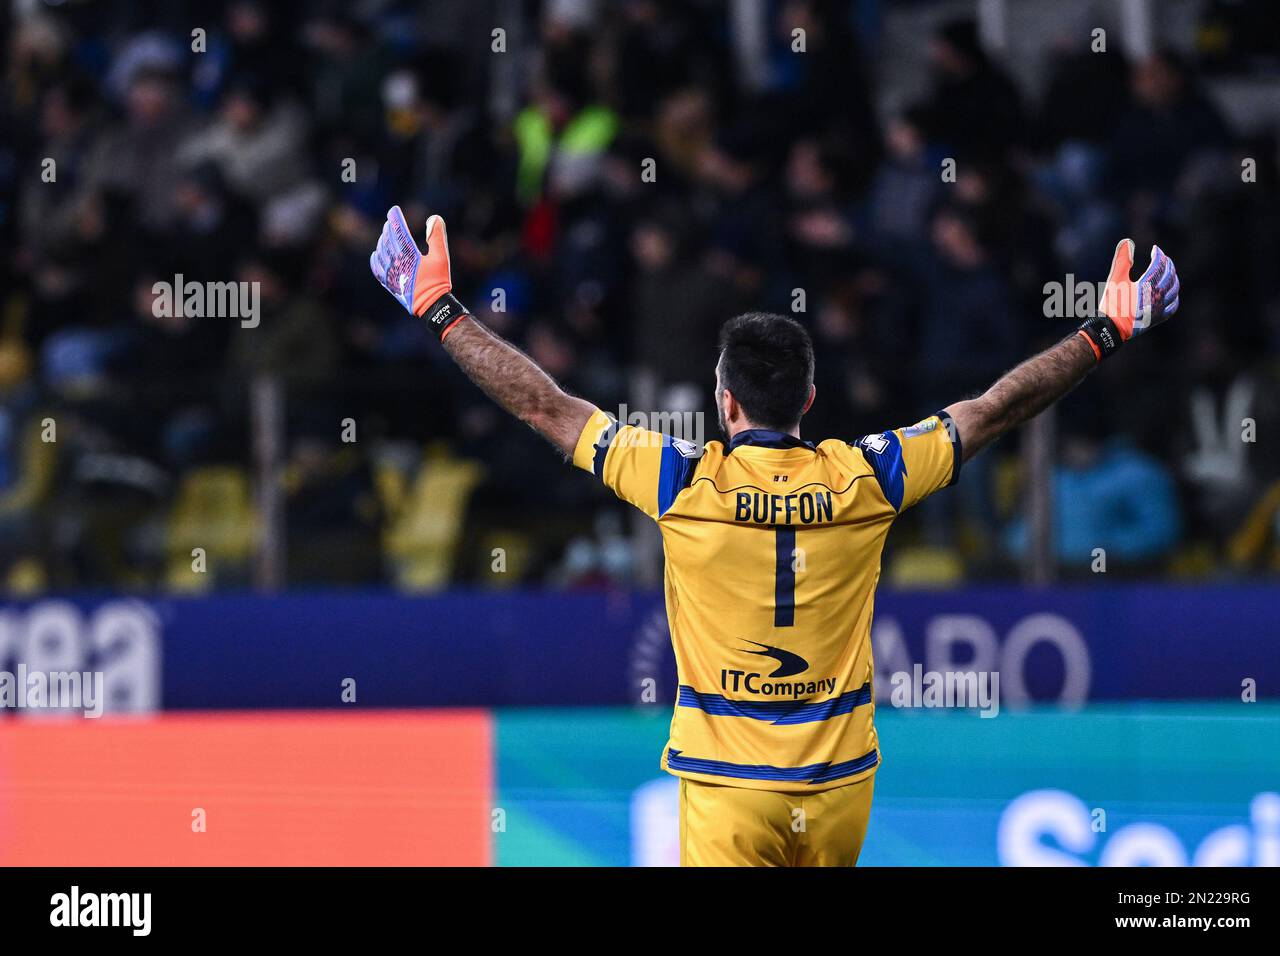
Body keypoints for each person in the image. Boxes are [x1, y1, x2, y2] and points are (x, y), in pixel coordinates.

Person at [370, 208, 1181, 867]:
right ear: (811, 398)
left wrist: (439, 311)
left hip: (729, 793)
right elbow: (997, 408)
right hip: (836, 792)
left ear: (725, 403)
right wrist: (1104, 331)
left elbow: (545, 406)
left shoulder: (679, 483)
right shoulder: (871, 477)